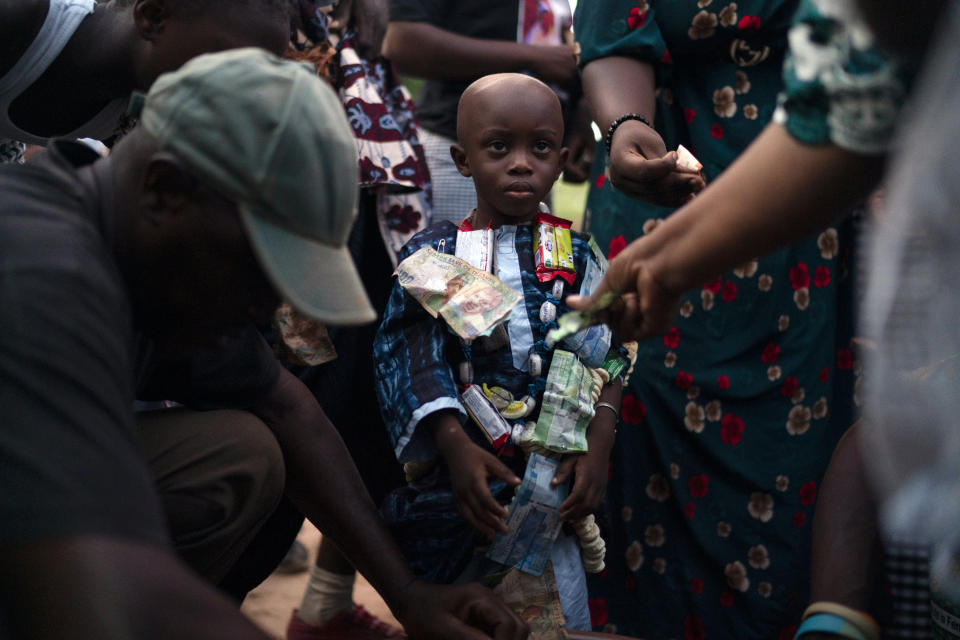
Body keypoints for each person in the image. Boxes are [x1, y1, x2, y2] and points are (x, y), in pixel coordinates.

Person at [0, 47, 528, 640]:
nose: (263, 308)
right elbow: (97, 565)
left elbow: (289, 409)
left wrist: (409, 595)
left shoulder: (156, 249)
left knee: (247, 452)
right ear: (166, 190)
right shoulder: (40, 271)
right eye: (258, 272)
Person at [565, 0, 918, 636]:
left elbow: (862, 93)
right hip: (664, 204)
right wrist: (625, 129)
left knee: (808, 469)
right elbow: (617, 31)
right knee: (644, 444)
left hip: (806, 232)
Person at [374, 73, 626, 635]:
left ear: (562, 161)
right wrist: (453, 443)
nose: (519, 163)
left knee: (556, 613)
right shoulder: (437, 256)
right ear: (463, 160)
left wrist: (600, 443)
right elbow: (410, 355)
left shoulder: (578, 255)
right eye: (497, 147)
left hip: (552, 489)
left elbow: (607, 352)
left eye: (538, 148)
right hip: (462, 489)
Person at [280, 1, 431, 637]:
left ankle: (325, 603)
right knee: (293, 388)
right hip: (295, 128)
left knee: (353, 384)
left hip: (346, 125)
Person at [381, 0, 594, 224]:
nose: (520, 165)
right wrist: (534, 57)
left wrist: (578, 113)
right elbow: (404, 41)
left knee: (528, 256)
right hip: (465, 158)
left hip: (538, 161)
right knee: (454, 257)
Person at [0, 0, 289, 164]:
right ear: (152, 17)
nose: (228, 88)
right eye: (225, 63)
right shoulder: (21, 18)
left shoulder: (140, 110)